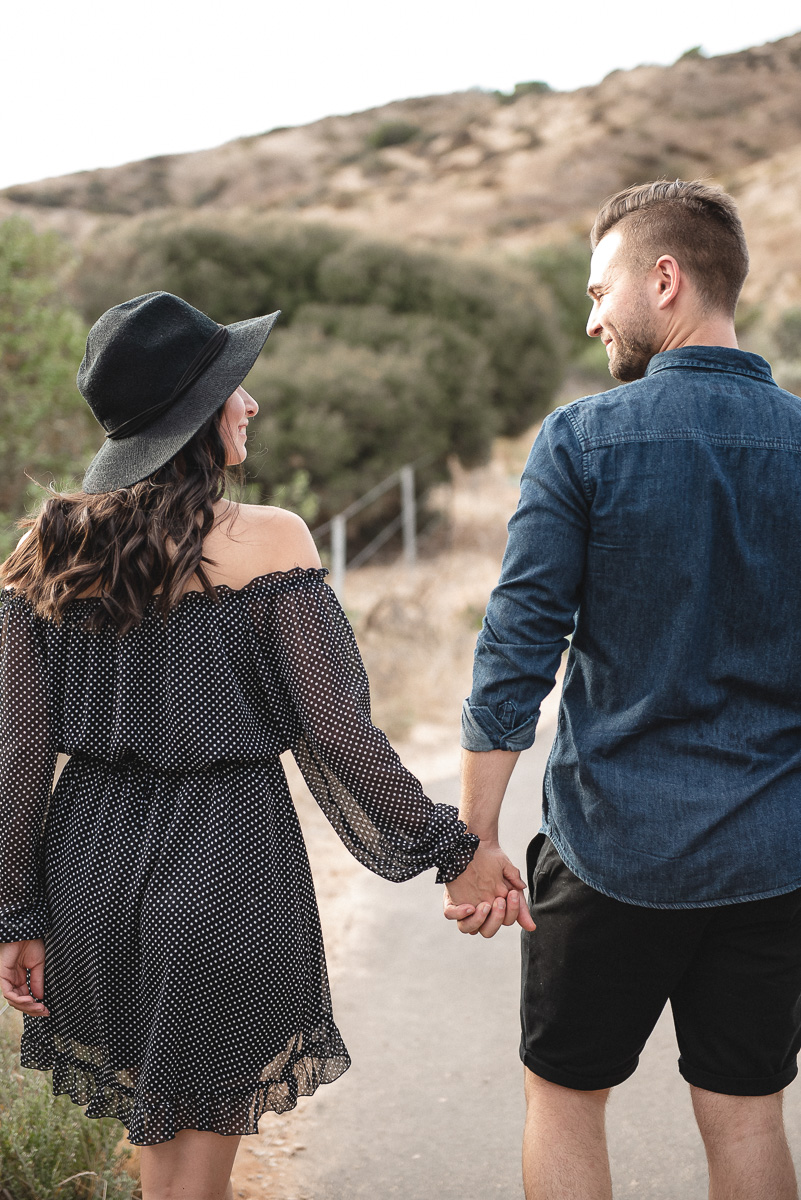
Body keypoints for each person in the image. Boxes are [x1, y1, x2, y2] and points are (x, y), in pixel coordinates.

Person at [0, 291, 516, 1200]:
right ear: (195, 415)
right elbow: (338, 738)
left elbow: (17, 756)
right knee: (195, 1176)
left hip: (88, 871)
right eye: (236, 388)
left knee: (160, 1164)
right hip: (224, 863)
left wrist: (19, 914)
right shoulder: (268, 539)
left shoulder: (43, 549)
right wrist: (454, 850)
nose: (251, 404)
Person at [444, 180, 801, 1200]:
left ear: (665, 277)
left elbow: (516, 653)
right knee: (748, 1119)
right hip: (774, 857)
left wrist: (475, 842)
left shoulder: (583, 441)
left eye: (600, 291)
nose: (592, 316)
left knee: (563, 1101)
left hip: (614, 852)